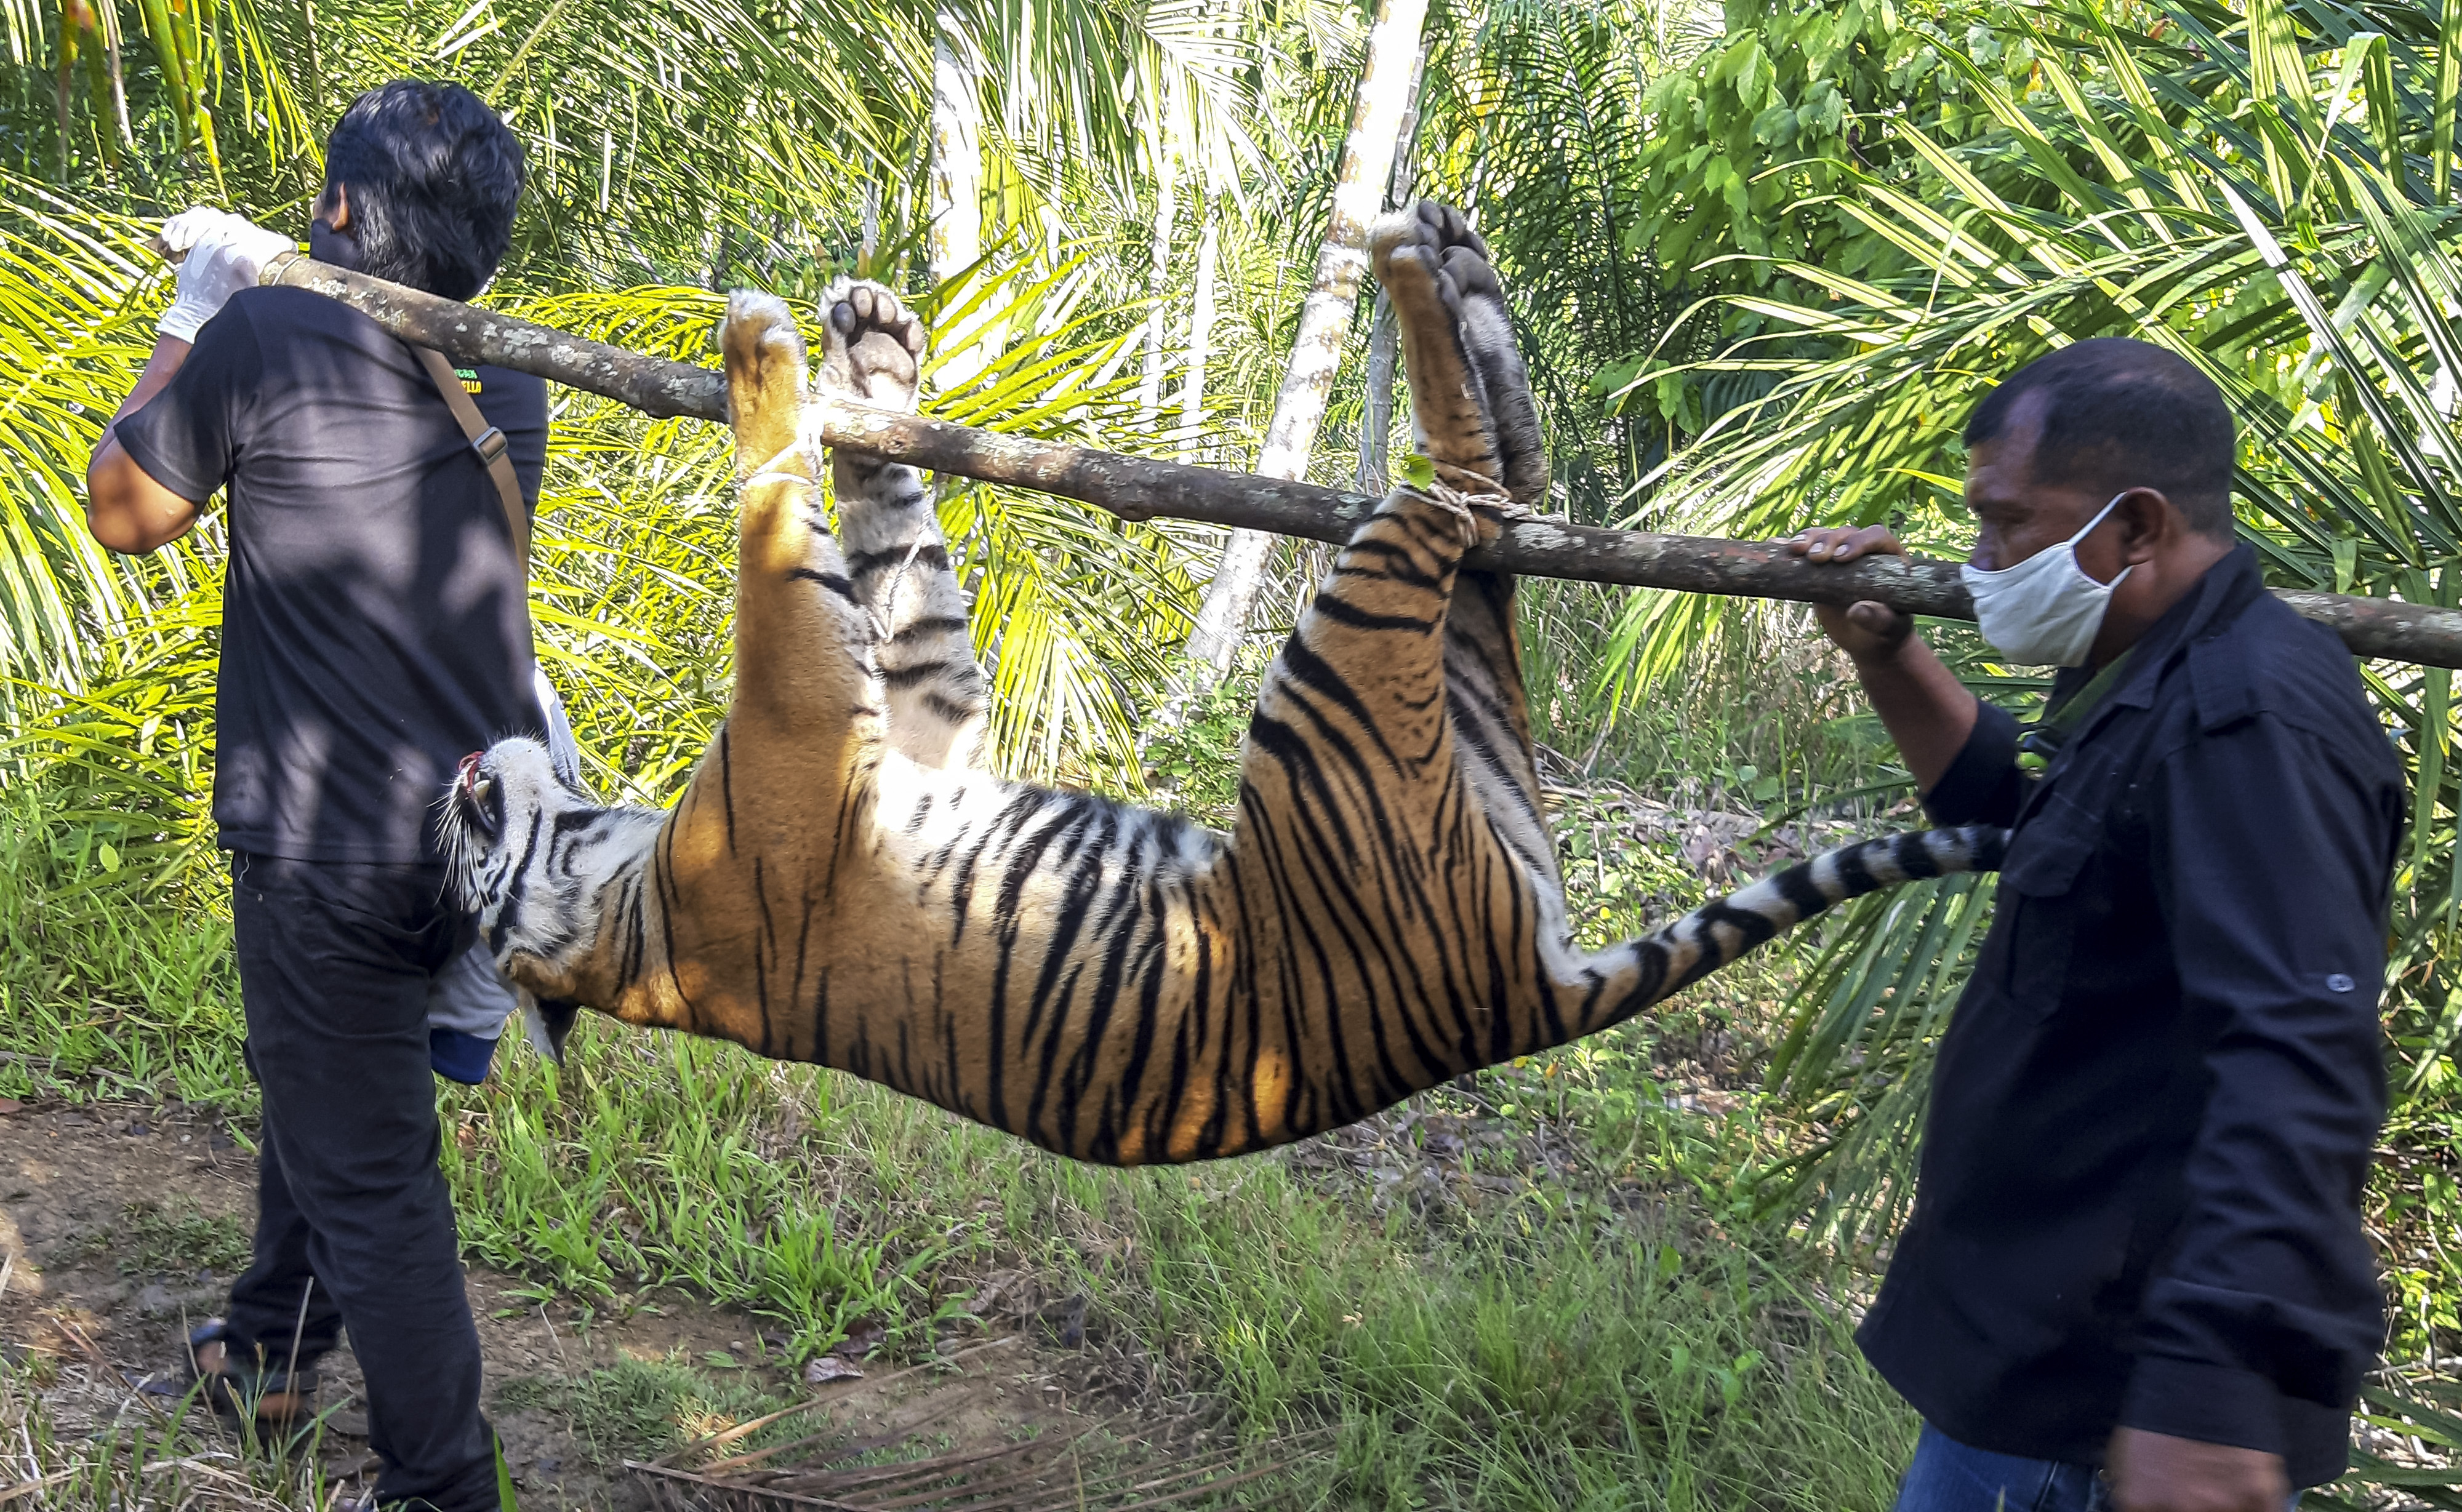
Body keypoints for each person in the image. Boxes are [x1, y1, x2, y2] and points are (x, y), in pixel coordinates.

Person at [1786, 338, 2400, 1512]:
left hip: (2108, 1403)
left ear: (2137, 526)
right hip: (2043, 1358)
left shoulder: (2247, 718)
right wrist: (1887, 652)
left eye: (2009, 521)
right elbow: (2036, 831)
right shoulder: (2158, 672)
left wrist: (2207, 1393)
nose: (1981, 559)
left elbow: (2299, 1049)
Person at [83, 79, 547, 1512]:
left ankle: (441, 1486)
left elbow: (125, 510)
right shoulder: (508, 377)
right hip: (468, 831)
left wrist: (195, 313)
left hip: (325, 840)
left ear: (339, 206)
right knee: (335, 1090)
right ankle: (270, 1356)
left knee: (373, 1175)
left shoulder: (268, 337)